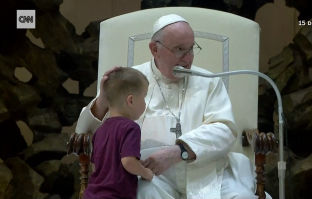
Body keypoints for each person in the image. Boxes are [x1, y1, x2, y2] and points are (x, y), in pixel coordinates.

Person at [76, 14, 272, 199]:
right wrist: (103, 98)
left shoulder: (209, 81)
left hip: (206, 172)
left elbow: (225, 130)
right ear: (155, 49)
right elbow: (85, 133)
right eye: (179, 50)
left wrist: (180, 151)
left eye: (191, 49)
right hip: (152, 176)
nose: (188, 59)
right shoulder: (131, 80)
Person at [83, 68, 153, 199]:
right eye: (144, 98)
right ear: (130, 101)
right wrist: (146, 173)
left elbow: (95, 165)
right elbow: (128, 162)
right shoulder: (131, 128)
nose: (145, 103)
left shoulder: (100, 130)